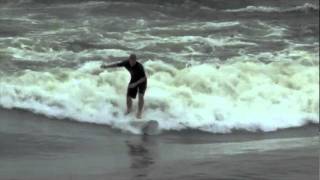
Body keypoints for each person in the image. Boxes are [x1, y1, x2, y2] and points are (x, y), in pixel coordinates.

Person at [101, 54, 147, 119]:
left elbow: (144, 78)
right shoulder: (126, 63)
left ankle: (139, 112)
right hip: (134, 79)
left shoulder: (139, 66)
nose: (132, 63)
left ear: (135, 61)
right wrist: (106, 66)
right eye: (131, 61)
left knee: (140, 96)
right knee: (128, 96)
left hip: (142, 82)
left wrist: (135, 84)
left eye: (133, 62)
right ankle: (129, 109)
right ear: (129, 60)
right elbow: (116, 64)